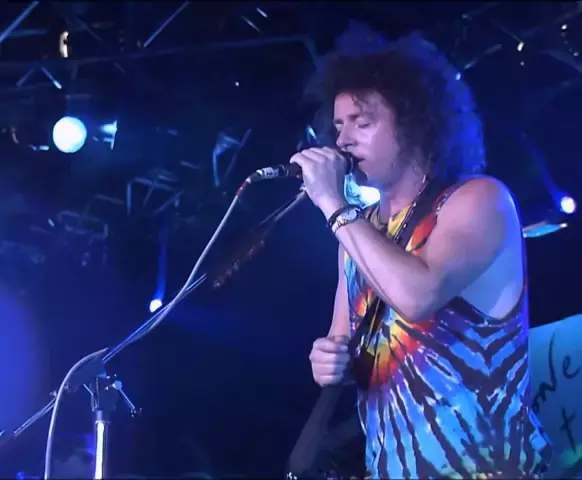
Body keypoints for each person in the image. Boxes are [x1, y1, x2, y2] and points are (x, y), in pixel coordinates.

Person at [290, 32, 553, 478]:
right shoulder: (357, 229)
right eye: (338, 126)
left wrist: (333, 203)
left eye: (361, 122)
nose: (342, 141)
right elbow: (344, 346)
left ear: (416, 122)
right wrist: (327, 361)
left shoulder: (478, 200)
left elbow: (418, 295)